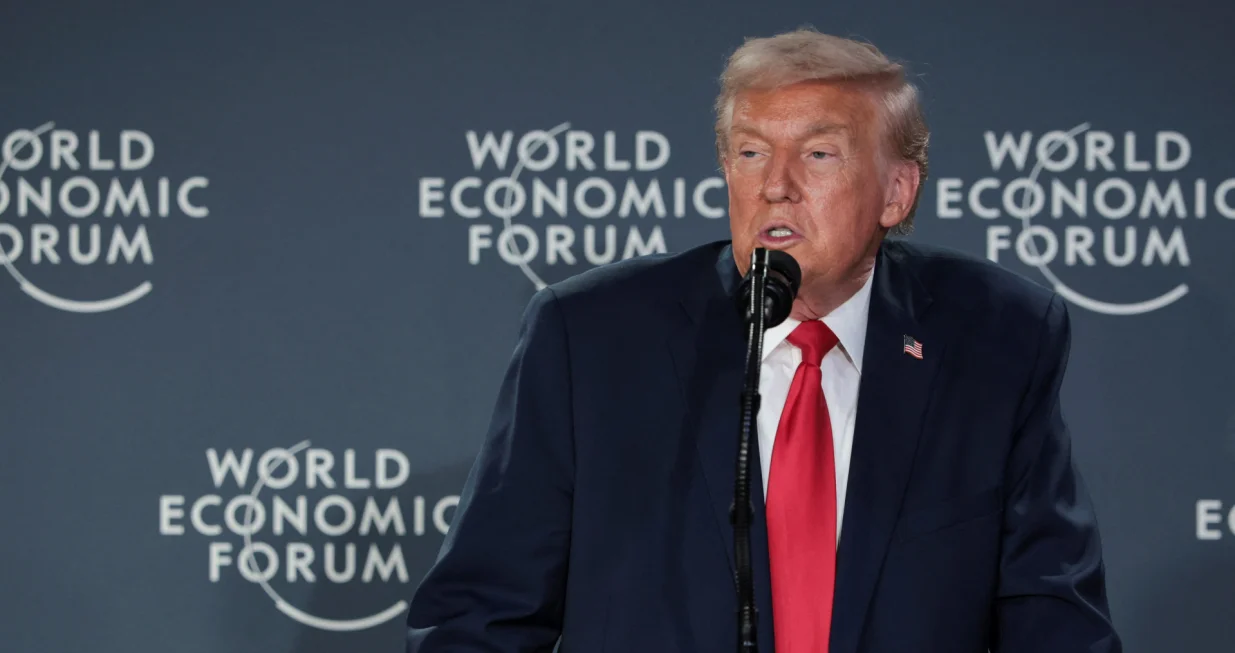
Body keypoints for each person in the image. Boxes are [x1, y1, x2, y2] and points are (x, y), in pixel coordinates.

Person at [405, 27, 1121, 653]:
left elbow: (1053, 617)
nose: (774, 187)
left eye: (817, 155)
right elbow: (481, 614)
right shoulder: (591, 337)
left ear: (896, 191)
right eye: (749, 153)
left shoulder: (994, 336)